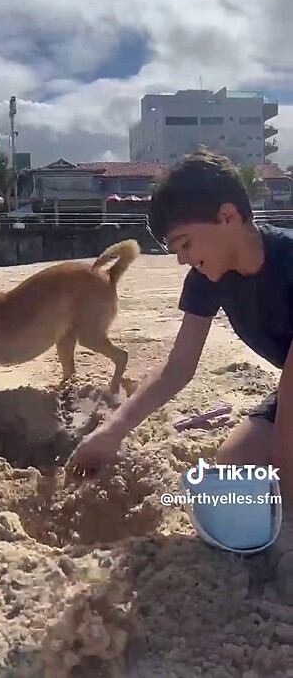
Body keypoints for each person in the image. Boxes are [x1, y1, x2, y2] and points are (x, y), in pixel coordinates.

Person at [64, 147, 293, 603]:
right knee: (225, 486)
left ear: (228, 217)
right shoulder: (210, 277)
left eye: (186, 243)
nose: (182, 259)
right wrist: (111, 432)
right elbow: (178, 367)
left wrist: (287, 520)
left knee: (280, 503)